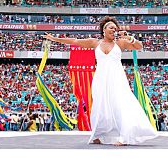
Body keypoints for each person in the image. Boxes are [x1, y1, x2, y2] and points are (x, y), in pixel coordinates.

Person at [45, 16, 157, 145]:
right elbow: (74, 41)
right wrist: (55, 39)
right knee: (100, 106)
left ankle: (124, 137)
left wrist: (129, 37)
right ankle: (97, 135)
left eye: (115, 28)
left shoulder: (120, 43)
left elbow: (139, 46)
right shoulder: (95, 43)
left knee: (120, 104)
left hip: (116, 78)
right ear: (104, 30)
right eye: (111, 27)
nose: (114, 30)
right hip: (100, 79)